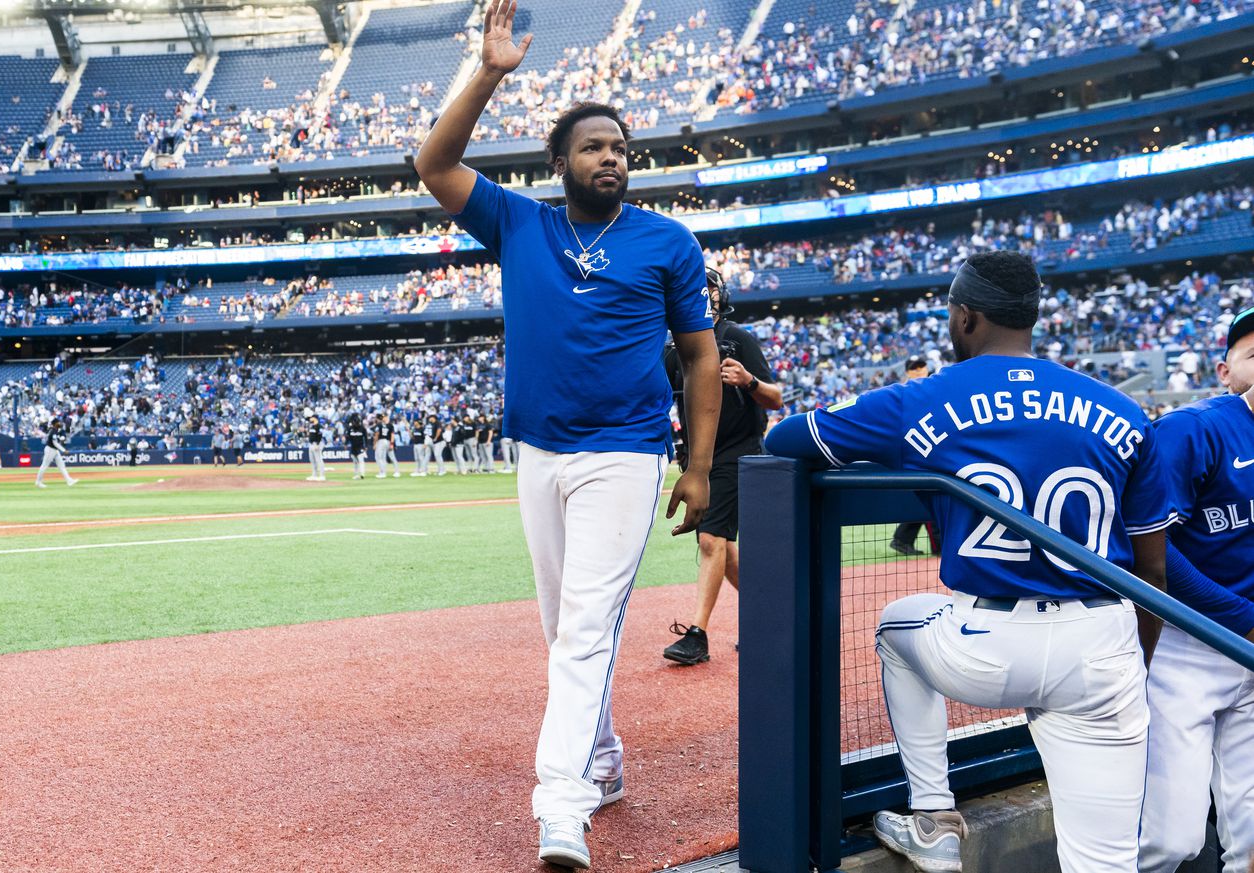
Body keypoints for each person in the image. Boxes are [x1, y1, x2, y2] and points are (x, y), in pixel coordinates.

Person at [414, 2, 721, 865]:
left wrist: (696, 470)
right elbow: (433, 164)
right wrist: (489, 73)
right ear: (560, 163)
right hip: (539, 452)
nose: (611, 157)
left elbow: (700, 360)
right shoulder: (521, 223)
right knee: (565, 629)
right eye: (593, 147)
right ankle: (606, 760)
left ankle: (561, 805)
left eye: (620, 147)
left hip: (626, 452)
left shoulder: (666, 241)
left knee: (587, 627)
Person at [765, 251, 1176, 873]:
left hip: (986, 647)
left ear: (964, 317)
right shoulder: (1119, 408)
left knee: (895, 625)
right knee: (1107, 861)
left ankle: (934, 816)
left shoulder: (919, 400)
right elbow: (1154, 576)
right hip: (1101, 643)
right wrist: (1131, 665)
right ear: (1032, 319)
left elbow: (784, 439)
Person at [1139, 305, 1254, 873]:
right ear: (1225, 371)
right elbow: (1152, 548)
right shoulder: (1196, 427)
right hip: (1187, 647)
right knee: (1171, 842)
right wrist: (1238, 618)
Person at [663, 267, 782, 665]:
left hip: (739, 451)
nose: (703, 296)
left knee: (710, 541)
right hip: (699, 457)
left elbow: (775, 398)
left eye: (709, 289)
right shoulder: (673, 349)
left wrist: (749, 381)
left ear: (721, 295)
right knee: (725, 549)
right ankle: (770, 618)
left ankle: (697, 635)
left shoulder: (737, 338)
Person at [889, 358, 936, 556]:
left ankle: (901, 539)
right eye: (914, 369)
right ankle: (937, 544)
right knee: (928, 494)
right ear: (908, 372)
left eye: (921, 367)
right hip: (913, 452)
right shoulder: (902, 393)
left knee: (924, 496)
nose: (918, 371)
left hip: (929, 450)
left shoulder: (934, 388)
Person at [36, 419, 78, 488]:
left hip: (54, 450)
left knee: (62, 466)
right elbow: (55, 443)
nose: (60, 423)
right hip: (50, 449)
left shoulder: (54, 430)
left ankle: (69, 481)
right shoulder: (53, 431)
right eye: (58, 422)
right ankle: (38, 482)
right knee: (44, 466)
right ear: (55, 424)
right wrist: (63, 450)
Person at [373, 413, 400, 478]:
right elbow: (392, 435)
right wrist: (391, 444)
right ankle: (395, 472)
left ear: (387, 417)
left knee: (381, 457)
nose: (383, 418)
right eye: (382, 417)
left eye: (384, 417)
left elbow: (377, 435)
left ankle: (383, 472)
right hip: (387, 442)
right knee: (389, 457)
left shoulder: (379, 425)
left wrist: (374, 444)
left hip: (382, 441)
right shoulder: (390, 425)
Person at [347, 413, 369, 480]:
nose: (356, 423)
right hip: (353, 447)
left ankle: (362, 474)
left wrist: (366, 446)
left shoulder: (362, 429)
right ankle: (356, 474)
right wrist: (345, 443)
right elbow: (348, 437)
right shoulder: (350, 429)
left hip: (360, 447)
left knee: (361, 460)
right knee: (355, 462)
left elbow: (366, 438)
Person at [305, 414, 325, 481]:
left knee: (318, 459)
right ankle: (314, 475)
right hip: (311, 444)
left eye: (312, 418)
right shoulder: (312, 426)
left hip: (317, 444)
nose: (310, 419)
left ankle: (322, 475)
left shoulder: (319, 426)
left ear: (315, 418)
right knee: (312, 460)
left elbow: (320, 436)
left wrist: (317, 444)